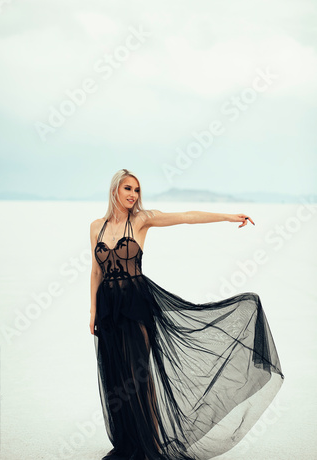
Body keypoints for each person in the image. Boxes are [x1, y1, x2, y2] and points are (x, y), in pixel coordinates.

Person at [89, 168, 284, 460]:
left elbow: (186, 216)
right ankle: (129, 441)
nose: (133, 195)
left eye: (137, 190)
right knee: (118, 377)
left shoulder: (142, 220)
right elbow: (95, 271)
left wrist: (229, 216)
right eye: (128, 189)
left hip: (135, 304)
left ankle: (150, 444)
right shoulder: (96, 227)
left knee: (140, 376)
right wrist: (92, 310)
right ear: (115, 190)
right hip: (108, 309)